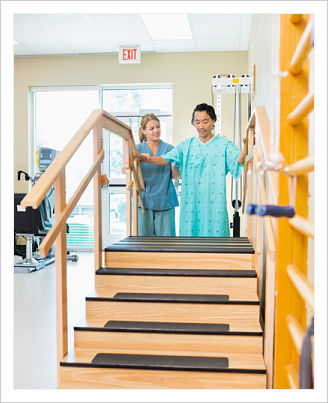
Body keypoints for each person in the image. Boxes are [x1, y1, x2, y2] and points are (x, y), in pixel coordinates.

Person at [135, 103, 247, 237]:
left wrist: (246, 145)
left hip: (214, 204)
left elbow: (239, 160)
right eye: (197, 122)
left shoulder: (224, 145)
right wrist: (146, 159)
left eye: (205, 121)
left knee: (217, 241)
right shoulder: (186, 146)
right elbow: (164, 159)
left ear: (213, 121)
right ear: (193, 123)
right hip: (191, 206)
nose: (201, 126)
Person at [136, 113, 179, 236]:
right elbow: (125, 170)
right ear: (144, 131)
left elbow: (176, 175)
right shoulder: (136, 149)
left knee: (167, 245)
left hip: (165, 199)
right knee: (143, 244)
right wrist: (135, 159)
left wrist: (175, 167)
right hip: (144, 200)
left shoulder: (170, 149)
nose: (156, 131)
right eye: (151, 128)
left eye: (158, 127)